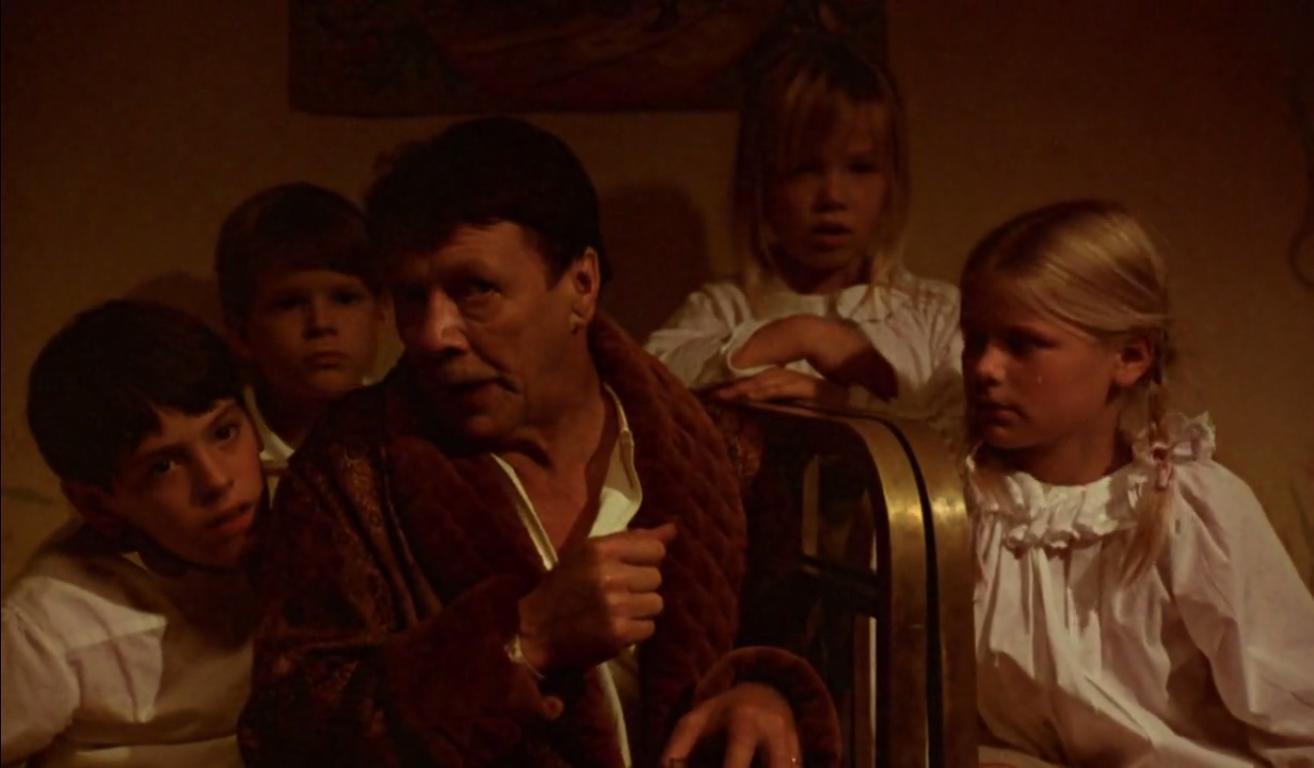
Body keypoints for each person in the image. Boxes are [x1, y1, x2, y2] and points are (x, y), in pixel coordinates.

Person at [240, 117, 840, 768]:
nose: (435, 334)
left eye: (476, 291)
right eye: (412, 298)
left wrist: (764, 690)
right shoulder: (348, 473)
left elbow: (807, 638)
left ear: (581, 285)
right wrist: (521, 642)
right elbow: (287, 734)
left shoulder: (724, 454)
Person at [961, 200, 1314, 765]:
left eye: (1022, 344)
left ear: (1128, 357)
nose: (984, 368)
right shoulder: (960, 508)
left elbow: (1296, 710)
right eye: (974, 339)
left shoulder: (1191, 508)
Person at [645, 34, 961, 435]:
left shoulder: (935, 315)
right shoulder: (726, 308)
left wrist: (845, 403)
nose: (833, 197)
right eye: (804, 170)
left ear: (892, 182)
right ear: (761, 184)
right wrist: (800, 335)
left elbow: (960, 441)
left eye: (860, 168)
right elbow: (643, 386)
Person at [2, 300, 265, 767]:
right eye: (163, 466)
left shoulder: (314, 532)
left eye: (224, 433)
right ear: (96, 505)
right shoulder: (51, 623)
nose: (216, 481)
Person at [214, 182, 385, 489]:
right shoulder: (221, 461)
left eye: (345, 299)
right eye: (290, 304)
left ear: (379, 312)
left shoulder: (410, 436)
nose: (321, 323)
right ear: (240, 332)